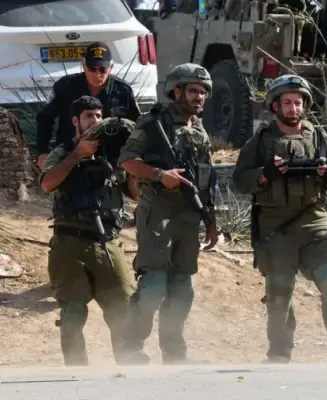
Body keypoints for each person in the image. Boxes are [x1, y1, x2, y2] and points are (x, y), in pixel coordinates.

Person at [232, 74, 327, 364]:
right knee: (278, 294)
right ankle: (279, 353)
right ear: (275, 106)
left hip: (314, 223)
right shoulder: (261, 142)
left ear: (305, 105)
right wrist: (265, 174)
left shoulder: (319, 139)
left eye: (298, 102)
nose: (293, 108)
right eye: (287, 102)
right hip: (275, 229)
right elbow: (240, 181)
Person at [117, 63, 219, 365]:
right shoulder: (153, 123)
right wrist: (160, 175)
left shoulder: (199, 129)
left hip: (189, 214)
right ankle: (130, 348)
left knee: (182, 289)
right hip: (158, 212)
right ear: (176, 92)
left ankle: (174, 355)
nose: (199, 96)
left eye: (203, 92)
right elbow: (127, 161)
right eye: (193, 90)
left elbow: (207, 177)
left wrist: (211, 220)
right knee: (153, 286)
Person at [39, 96, 138, 366]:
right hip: (70, 243)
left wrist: (129, 162)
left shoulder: (111, 152)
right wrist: (77, 155)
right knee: (72, 315)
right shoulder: (62, 151)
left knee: (124, 310)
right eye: (88, 116)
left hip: (107, 243)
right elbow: (47, 184)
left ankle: (129, 370)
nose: (95, 121)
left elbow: (135, 194)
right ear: (76, 121)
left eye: (98, 115)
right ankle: (77, 374)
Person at [35, 42, 141, 170]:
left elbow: (137, 125)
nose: (97, 74)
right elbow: (45, 118)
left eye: (102, 69)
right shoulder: (65, 87)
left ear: (111, 68)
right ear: (84, 66)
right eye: (92, 69)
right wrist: (43, 152)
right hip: (70, 158)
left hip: (112, 161)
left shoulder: (123, 91)